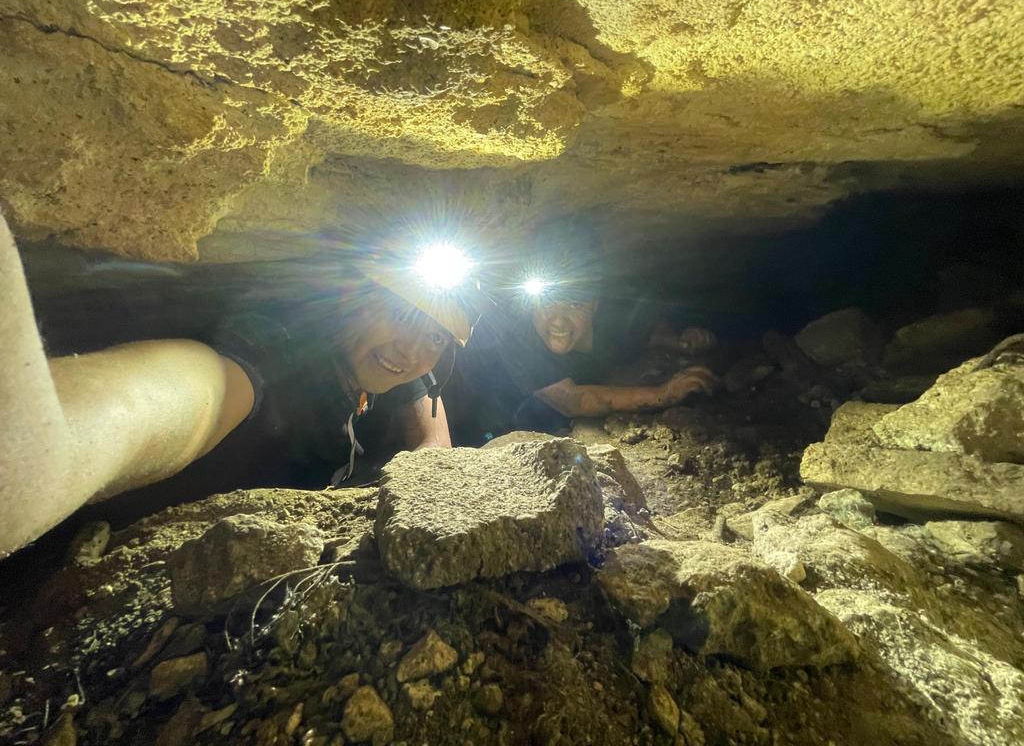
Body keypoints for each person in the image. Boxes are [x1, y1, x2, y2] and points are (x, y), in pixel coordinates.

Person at [0, 209, 474, 558]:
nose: (412, 349)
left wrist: (427, 464)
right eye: (401, 314)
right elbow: (209, 384)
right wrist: (57, 443)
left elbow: (427, 407)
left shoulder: (386, 362)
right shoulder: (285, 343)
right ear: (353, 300)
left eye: (433, 335)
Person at [455, 235, 717, 443]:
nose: (558, 320)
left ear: (593, 305)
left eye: (574, 304)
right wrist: (663, 394)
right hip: (500, 403)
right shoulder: (514, 334)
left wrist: (681, 341)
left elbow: (646, 332)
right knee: (526, 416)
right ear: (531, 302)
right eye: (547, 302)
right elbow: (572, 400)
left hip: (586, 380)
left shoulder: (615, 318)